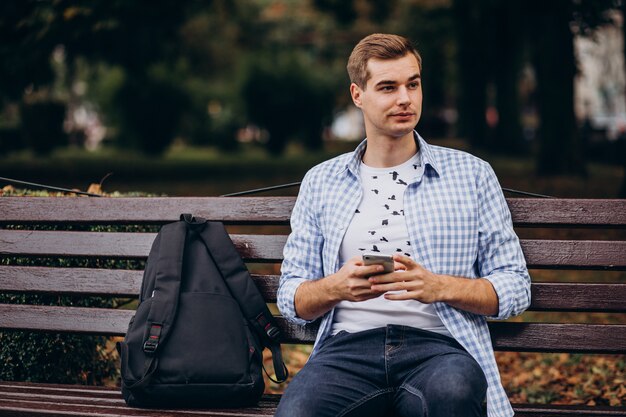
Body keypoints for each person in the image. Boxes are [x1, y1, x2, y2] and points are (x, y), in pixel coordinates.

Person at [276, 33, 531, 417]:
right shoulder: (322, 181)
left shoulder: (471, 175)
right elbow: (291, 297)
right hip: (348, 350)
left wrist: (439, 286)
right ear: (357, 94)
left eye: (413, 83)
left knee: (453, 395)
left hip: (441, 347)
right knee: (298, 412)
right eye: (388, 87)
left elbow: (515, 286)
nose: (405, 99)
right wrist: (336, 286)